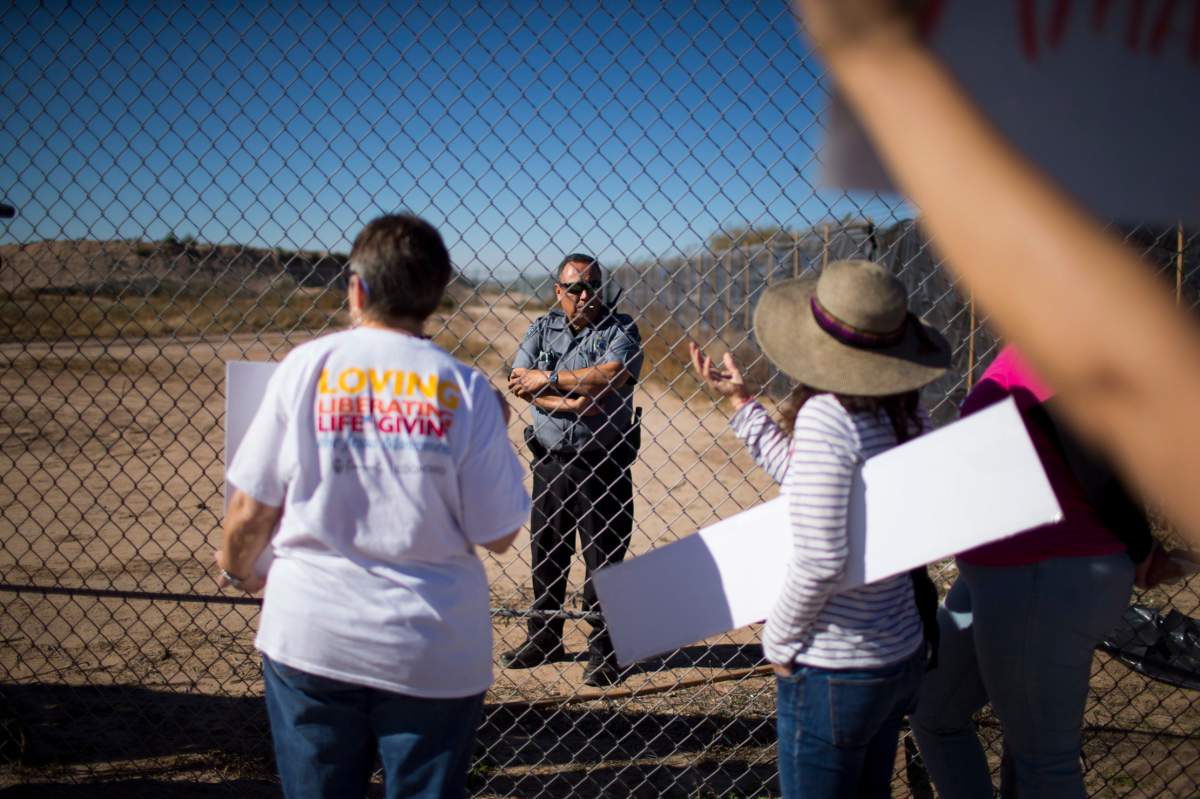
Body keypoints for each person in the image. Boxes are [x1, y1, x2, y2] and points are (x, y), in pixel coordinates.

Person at [790, 0, 1200, 547]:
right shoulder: (911, 419)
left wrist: (879, 63)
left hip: (1043, 562)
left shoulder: (832, 423)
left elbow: (1120, 396)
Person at [215, 214, 531, 798]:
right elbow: (500, 532)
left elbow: (250, 511)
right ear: (435, 296)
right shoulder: (466, 389)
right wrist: (495, 430)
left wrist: (239, 572)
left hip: (312, 633)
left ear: (357, 289)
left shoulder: (306, 367)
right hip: (432, 648)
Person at [690, 258, 950, 798]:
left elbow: (821, 559)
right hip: (898, 651)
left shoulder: (828, 416)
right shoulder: (907, 414)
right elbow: (802, 474)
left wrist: (779, 640)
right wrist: (742, 402)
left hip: (836, 666)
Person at [910, 345, 1184, 799]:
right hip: (996, 574)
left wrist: (1139, 546)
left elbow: (1099, 464)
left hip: (1045, 570)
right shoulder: (1028, 346)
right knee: (933, 708)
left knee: (1042, 761)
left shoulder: (1059, 346)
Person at [503, 253, 643, 686]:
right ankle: (544, 636)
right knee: (547, 552)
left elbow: (611, 374)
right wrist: (568, 397)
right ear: (558, 292)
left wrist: (543, 381)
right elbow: (517, 377)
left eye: (592, 286)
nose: (585, 296)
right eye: (575, 288)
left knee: (604, 560)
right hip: (551, 460)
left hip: (603, 464)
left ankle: (606, 651)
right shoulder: (542, 327)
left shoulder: (621, 329)